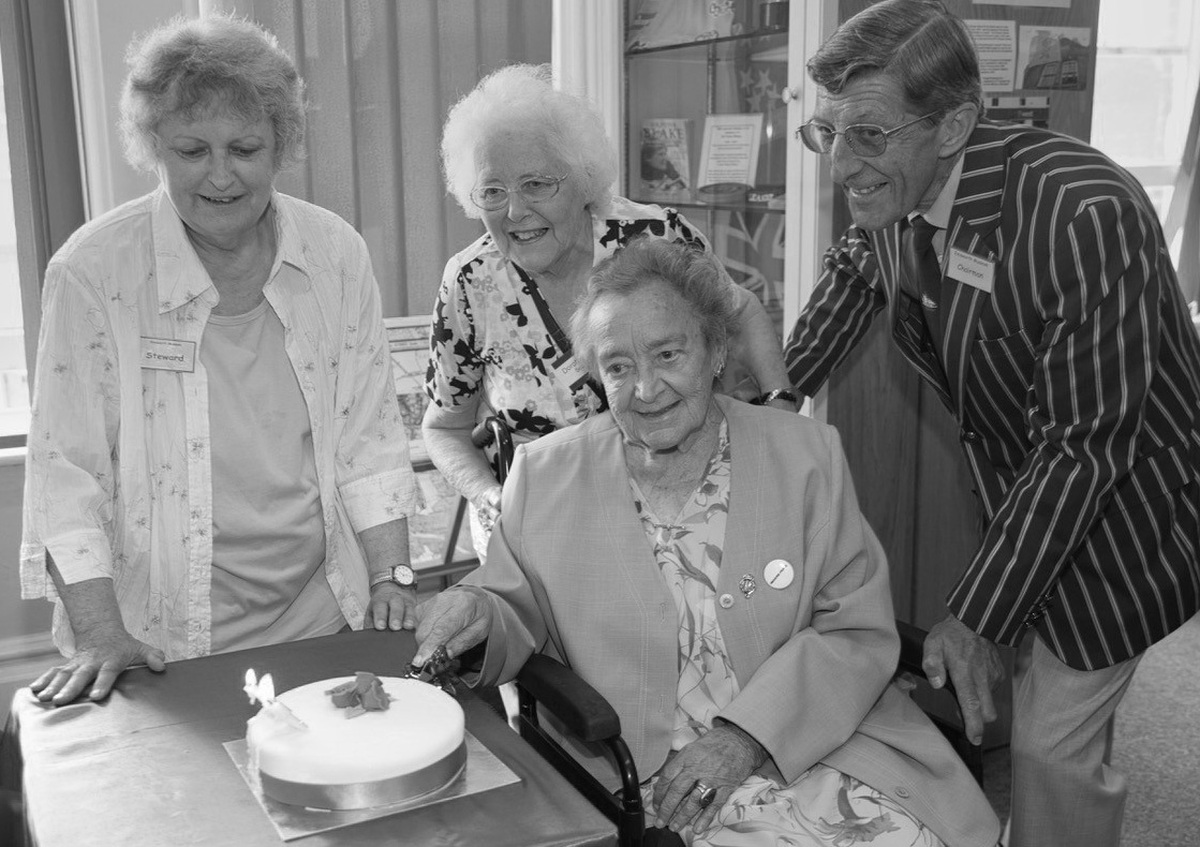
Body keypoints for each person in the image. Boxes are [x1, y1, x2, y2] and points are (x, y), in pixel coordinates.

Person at [415, 238, 1000, 847]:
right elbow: (513, 601)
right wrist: (479, 610)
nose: (646, 388)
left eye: (668, 354)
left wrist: (745, 737)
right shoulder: (545, 475)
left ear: (717, 349)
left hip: (819, 745)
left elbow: (853, 628)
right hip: (647, 777)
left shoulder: (803, 455)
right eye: (617, 366)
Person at [782, 2, 1200, 846]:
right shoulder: (900, 184)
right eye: (826, 133)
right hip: (1028, 494)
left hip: (1127, 509)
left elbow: (1086, 446)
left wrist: (977, 613)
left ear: (956, 124)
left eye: (865, 134)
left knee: (1050, 749)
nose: (841, 167)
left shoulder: (1082, 213)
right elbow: (858, 271)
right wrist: (768, 398)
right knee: (1046, 700)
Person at [19, 14, 419, 707]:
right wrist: (98, 632)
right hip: (160, 642)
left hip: (325, 621)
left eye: (244, 147)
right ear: (155, 149)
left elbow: (370, 438)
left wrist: (392, 577)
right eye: (192, 150)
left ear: (281, 146)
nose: (222, 176)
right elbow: (66, 473)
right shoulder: (93, 272)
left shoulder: (335, 255)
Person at [424, 64, 794, 560]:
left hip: (676, 520)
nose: (514, 211)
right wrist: (491, 497)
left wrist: (779, 413)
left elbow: (739, 311)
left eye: (536, 184)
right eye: (493, 191)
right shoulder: (469, 282)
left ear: (583, 180)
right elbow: (444, 426)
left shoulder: (655, 238)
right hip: (535, 538)